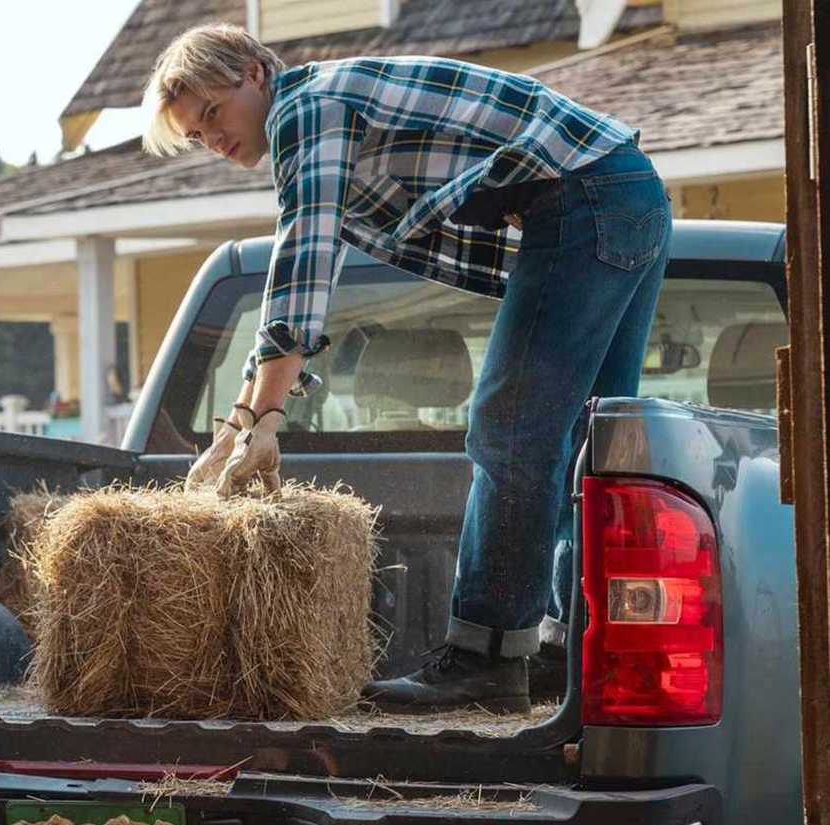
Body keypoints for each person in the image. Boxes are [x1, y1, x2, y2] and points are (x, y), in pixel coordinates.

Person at [144, 24, 670, 712]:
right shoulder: (326, 116)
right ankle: (563, 647)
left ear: (253, 72)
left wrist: (268, 421)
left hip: (585, 195)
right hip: (628, 190)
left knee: (509, 430)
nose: (211, 139)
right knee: (590, 444)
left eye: (212, 113)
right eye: (196, 134)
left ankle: (486, 656)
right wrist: (236, 424)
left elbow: (302, 267)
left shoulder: (307, 108)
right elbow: (301, 286)